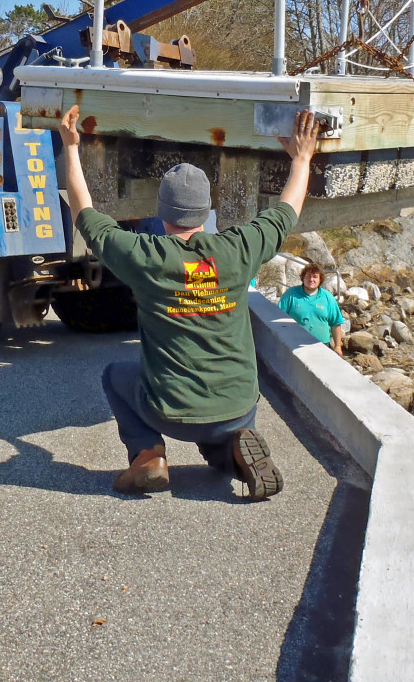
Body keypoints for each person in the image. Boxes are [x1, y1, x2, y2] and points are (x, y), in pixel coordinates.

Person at [57, 103, 321, 500]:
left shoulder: (145, 256)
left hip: (169, 411)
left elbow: (84, 213)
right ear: (207, 209)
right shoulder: (238, 249)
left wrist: (72, 147)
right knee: (222, 427)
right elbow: (286, 212)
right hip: (238, 407)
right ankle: (233, 449)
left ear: (161, 213)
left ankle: (148, 455)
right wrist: (301, 158)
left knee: (115, 374)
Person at [278, 263, 346, 354]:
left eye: (315, 277)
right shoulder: (290, 294)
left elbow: (336, 323)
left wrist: (338, 346)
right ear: (303, 278)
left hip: (322, 346)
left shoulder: (328, 297)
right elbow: (278, 318)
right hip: (294, 345)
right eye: (308, 276)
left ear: (320, 279)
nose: (311, 279)